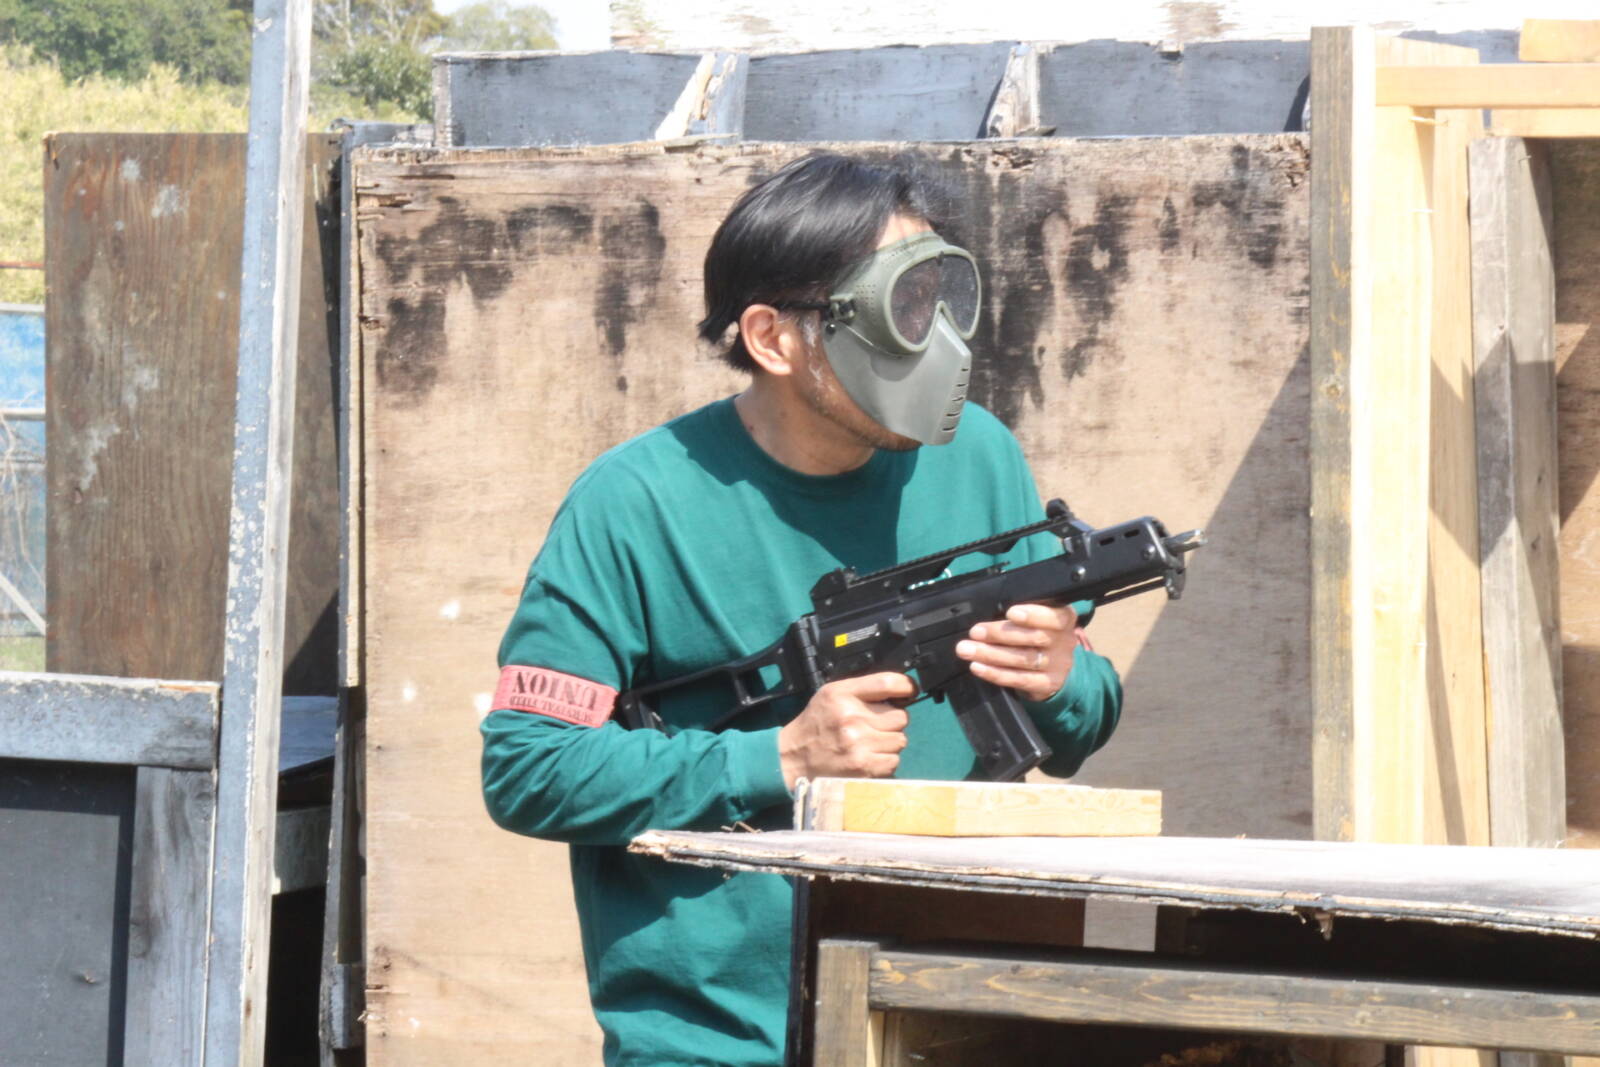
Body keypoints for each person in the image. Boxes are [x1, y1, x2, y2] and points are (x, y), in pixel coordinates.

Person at [480, 152, 1123, 1067]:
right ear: (772, 337)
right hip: (721, 1042)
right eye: (901, 307)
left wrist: (1062, 680)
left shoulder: (980, 456)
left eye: (940, 297)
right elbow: (528, 765)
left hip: (963, 1015)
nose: (935, 338)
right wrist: (779, 758)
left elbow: (1082, 722)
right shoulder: (632, 503)